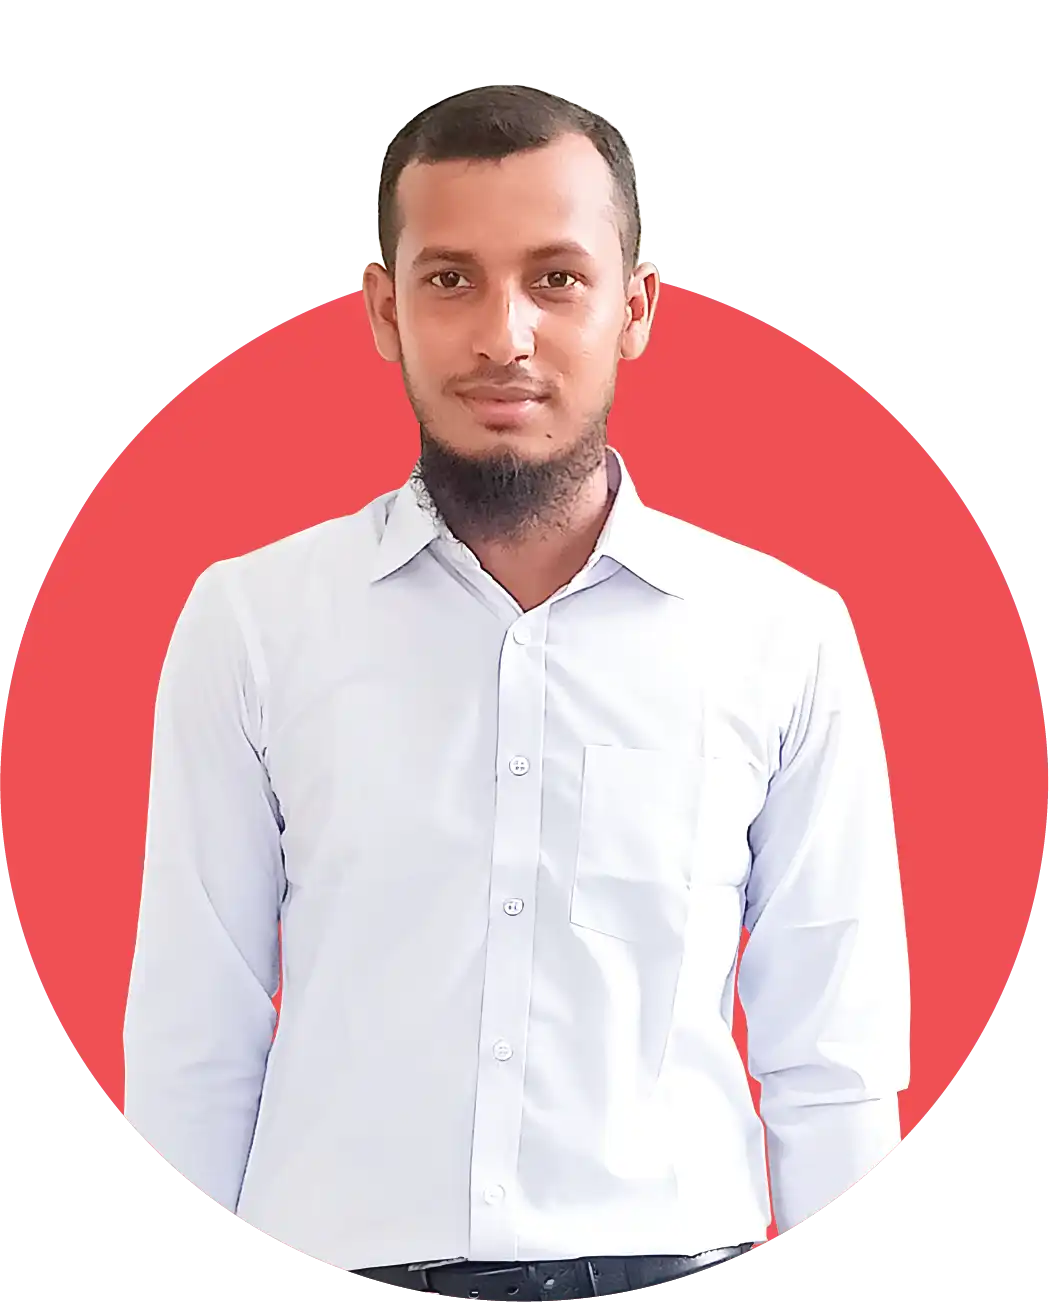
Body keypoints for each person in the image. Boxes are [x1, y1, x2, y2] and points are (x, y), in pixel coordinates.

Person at [122, 83, 911, 1299]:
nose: (505, 334)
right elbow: (194, 1034)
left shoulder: (781, 633)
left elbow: (833, 1055)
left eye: (556, 278)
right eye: (450, 279)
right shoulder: (253, 623)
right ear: (383, 308)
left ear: (633, 308)